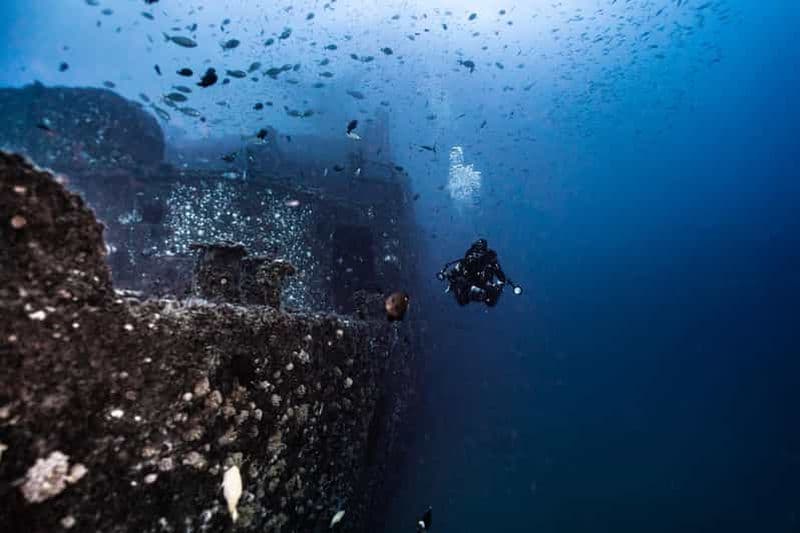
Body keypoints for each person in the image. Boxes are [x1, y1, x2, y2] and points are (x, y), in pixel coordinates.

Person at [436, 239, 522, 307]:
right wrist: (451, 279)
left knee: (490, 301)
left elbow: (501, 277)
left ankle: (480, 294)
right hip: (469, 284)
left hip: (482, 285)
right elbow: (455, 272)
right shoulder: (466, 262)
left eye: (480, 252)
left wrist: (499, 286)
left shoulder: (490, 264)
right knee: (462, 299)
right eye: (476, 252)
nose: (476, 255)